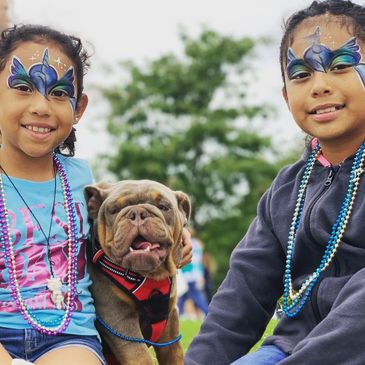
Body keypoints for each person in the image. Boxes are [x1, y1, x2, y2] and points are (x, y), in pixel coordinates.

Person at [0, 24, 193, 365]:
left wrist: (176, 235)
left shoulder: (81, 180)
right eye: (23, 87)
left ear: (79, 107)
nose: (41, 106)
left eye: (59, 93)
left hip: (67, 336)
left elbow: (126, 220)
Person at [185, 1, 365, 364]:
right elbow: (242, 294)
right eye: (300, 74)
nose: (319, 86)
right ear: (286, 96)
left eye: (342, 65)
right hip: (287, 349)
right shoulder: (287, 189)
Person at [178, 231, 209, 318]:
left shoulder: (186, 243)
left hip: (187, 274)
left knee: (196, 297)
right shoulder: (198, 244)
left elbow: (188, 259)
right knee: (183, 297)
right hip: (195, 275)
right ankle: (177, 316)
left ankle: (208, 314)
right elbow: (199, 261)